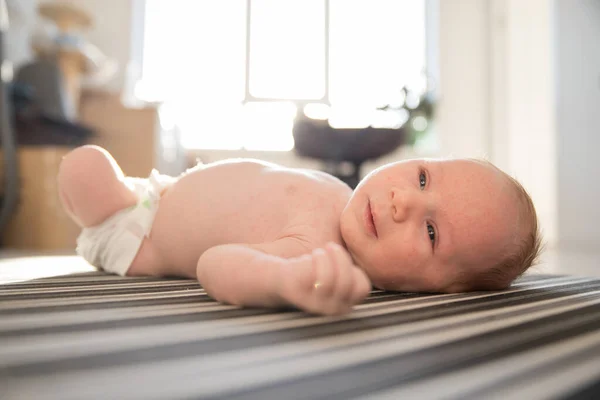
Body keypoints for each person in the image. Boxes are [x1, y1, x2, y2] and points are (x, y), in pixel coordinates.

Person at [57, 145, 542, 315]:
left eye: (432, 232)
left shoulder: (317, 253)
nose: (404, 201)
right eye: (421, 177)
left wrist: (280, 280)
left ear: (437, 292)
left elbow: (214, 264)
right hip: (159, 189)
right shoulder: (348, 199)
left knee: (84, 167)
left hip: (138, 227)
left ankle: (105, 200)